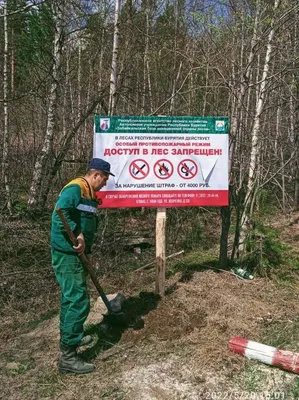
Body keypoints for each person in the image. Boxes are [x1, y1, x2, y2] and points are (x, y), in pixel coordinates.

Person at [51, 158, 114, 374]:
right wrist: (77, 234)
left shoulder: (88, 192)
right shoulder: (75, 188)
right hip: (67, 254)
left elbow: (82, 217)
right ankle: (68, 357)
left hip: (76, 254)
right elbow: (60, 214)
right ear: (96, 174)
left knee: (70, 299)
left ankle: (71, 338)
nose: (105, 183)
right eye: (105, 178)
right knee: (78, 301)